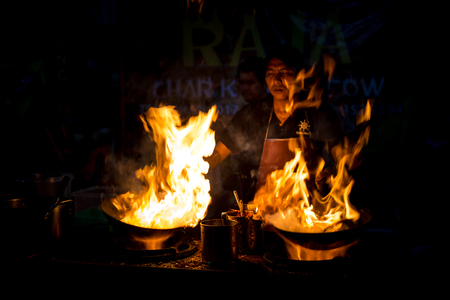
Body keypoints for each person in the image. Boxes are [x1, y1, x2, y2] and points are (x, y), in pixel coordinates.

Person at [205, 45, 343, 202]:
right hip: (263, 210)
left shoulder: (317, 111)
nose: (277, 80)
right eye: (270, 74)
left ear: (300, 76)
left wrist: (333, 171)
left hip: (306, 212)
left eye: (284, 73)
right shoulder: (252, 113)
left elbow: (344, 158)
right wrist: (191, 167)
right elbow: (217, 154)